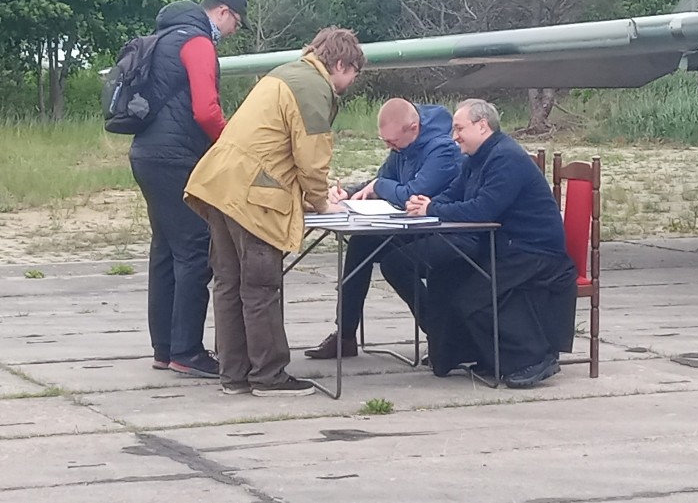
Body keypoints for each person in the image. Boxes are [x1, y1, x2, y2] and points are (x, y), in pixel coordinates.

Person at [184, 26, 365, 396]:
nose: (351, 82)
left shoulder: (285, 73)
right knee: (261, 285)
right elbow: (312, 158)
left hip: (220, 183)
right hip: (254, 197)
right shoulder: (314, 87)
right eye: (353, 75)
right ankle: (269, 375)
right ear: (342, 64)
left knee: (229, 285)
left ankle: (234, 374)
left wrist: (305, 194)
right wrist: (321, 200)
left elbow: (275, 147)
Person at [380, 98, 578, 388]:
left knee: (472, 295)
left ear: (482, 126)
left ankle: (534, 359)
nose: (454, 135)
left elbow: (482, 209)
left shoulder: (505, 158)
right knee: (447, 275)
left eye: (459, 128)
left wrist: (432, 210)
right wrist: (428, 203)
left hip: (533, 250)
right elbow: (455, 193)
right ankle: (467, 352)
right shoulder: (476, 157)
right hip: (503, 244)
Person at [130, 0, 250, 378]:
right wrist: (231, 142)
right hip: (176, 157)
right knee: (195, 249)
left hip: (145, 154)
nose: (232, 32)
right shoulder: (198, 42)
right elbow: (205, 109)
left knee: (165, 250)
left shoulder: (163, 38)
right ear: (223, 13)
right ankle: (187, 350)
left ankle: (163, 348)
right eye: (236, 23)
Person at [304, 98, 462, 360]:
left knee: (396, 263)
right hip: (409, 226)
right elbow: (383, 179)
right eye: (385, 142)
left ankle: (439, 332)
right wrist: (349, 194)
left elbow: (411, 192)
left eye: (392, 142)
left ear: (413, 127)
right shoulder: (403, 145)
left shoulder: (443, 149)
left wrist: (378, 186)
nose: (390, 147)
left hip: (443, 230)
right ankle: (344, 334)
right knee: (360, 244)